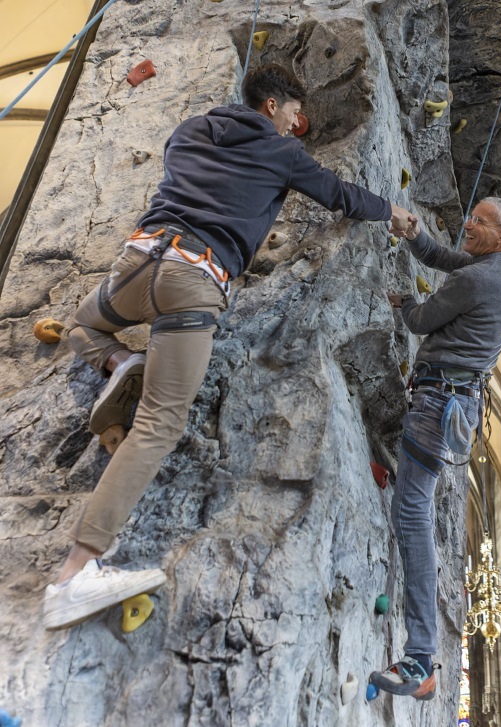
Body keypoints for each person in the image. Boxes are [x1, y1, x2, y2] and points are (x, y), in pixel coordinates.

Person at [43, 63, 412, 630]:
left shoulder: (190, 128)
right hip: (192, 280)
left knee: (81, 329)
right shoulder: (282, 151)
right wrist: (393, 211)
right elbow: (339, 194)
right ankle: (75, 573)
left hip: (136, 263)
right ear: (273, 105)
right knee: (160, 424)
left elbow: (189, 172)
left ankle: (121, 362)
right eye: (294, 114)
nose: (296, 126)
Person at [370, 197, 501, 699]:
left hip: (440, 402)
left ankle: (420, 660)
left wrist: (400, 303)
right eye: (471, 216)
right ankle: (420, 655)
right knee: (415, 506)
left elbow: (420, 320)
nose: (469, 224)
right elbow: (444, 258)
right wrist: (414, 235)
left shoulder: (479, 279)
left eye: (481, 221)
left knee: (412, 510)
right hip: (455, 402)